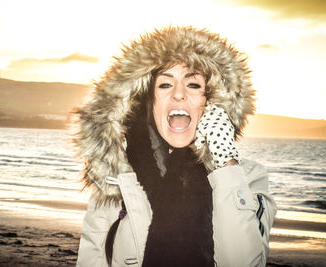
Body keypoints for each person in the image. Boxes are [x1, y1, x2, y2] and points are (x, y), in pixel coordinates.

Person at [73, 26, 277, 267]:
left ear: (211, 101)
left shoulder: (247, 178)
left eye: (193, 85)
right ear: (148, 102)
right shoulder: (115, 182)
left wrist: (225, 163)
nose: (179, 94)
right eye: (165, 85)